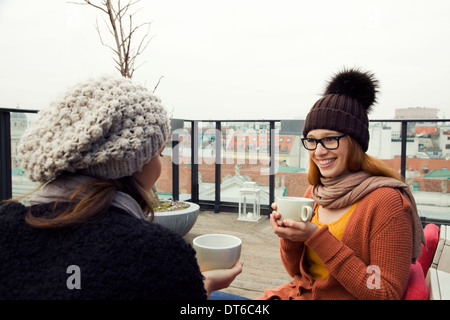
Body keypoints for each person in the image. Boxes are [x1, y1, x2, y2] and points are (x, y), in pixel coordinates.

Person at [0, 75, 242, 299]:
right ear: (134, 164)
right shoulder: (157, 254)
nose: (160, 164)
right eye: (158, 153)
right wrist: (199, 285)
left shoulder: (6, 224)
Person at [258, 68, 426, 300]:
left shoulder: (387, 202)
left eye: (330, 138)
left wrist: (316, 237)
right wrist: (288, 237)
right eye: (312, 140)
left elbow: (385, 292)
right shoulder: (315, 192)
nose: (319, 151)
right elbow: (298, 274)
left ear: (355, 141)